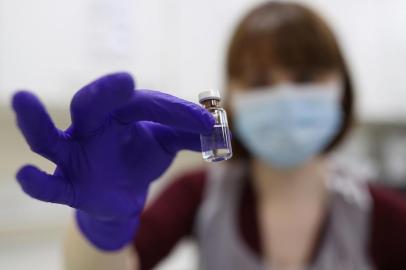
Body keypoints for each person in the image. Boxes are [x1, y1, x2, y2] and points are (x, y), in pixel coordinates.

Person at [12, 2, 406, 270]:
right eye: (259, 80)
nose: (285, 96)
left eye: (305, 77)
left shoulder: (384, 215)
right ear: (231, 96)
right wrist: (101, 226)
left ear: (343, 89)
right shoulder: (199, 194)